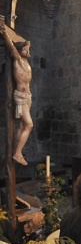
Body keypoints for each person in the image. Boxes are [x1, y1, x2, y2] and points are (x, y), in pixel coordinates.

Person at [0, 22, 33, 166]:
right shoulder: (18, 60)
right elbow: (11, 46)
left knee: (22, 127)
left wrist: (27, 43)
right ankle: (17, 153)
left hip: (28, 97)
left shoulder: (27, 63)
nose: (27, 50)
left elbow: (26, 45)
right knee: (29, 125)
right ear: (20, 51)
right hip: (20, 96)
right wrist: (3, 30)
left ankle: (18, 150)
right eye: (25, 48)